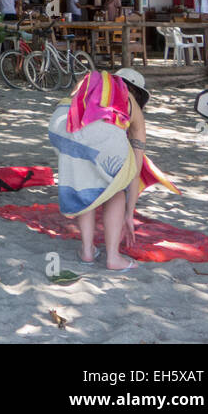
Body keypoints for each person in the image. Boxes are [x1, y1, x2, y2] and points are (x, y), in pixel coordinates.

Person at [65, 67, 149, 271]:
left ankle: (87, 251)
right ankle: (113, 257)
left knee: (87, 185)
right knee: (115, 191)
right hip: (107, 143)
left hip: (67, 135)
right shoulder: (131, 103)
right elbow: (135, 170)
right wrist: (129, 213)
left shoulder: (87, 84)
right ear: (136, 92)